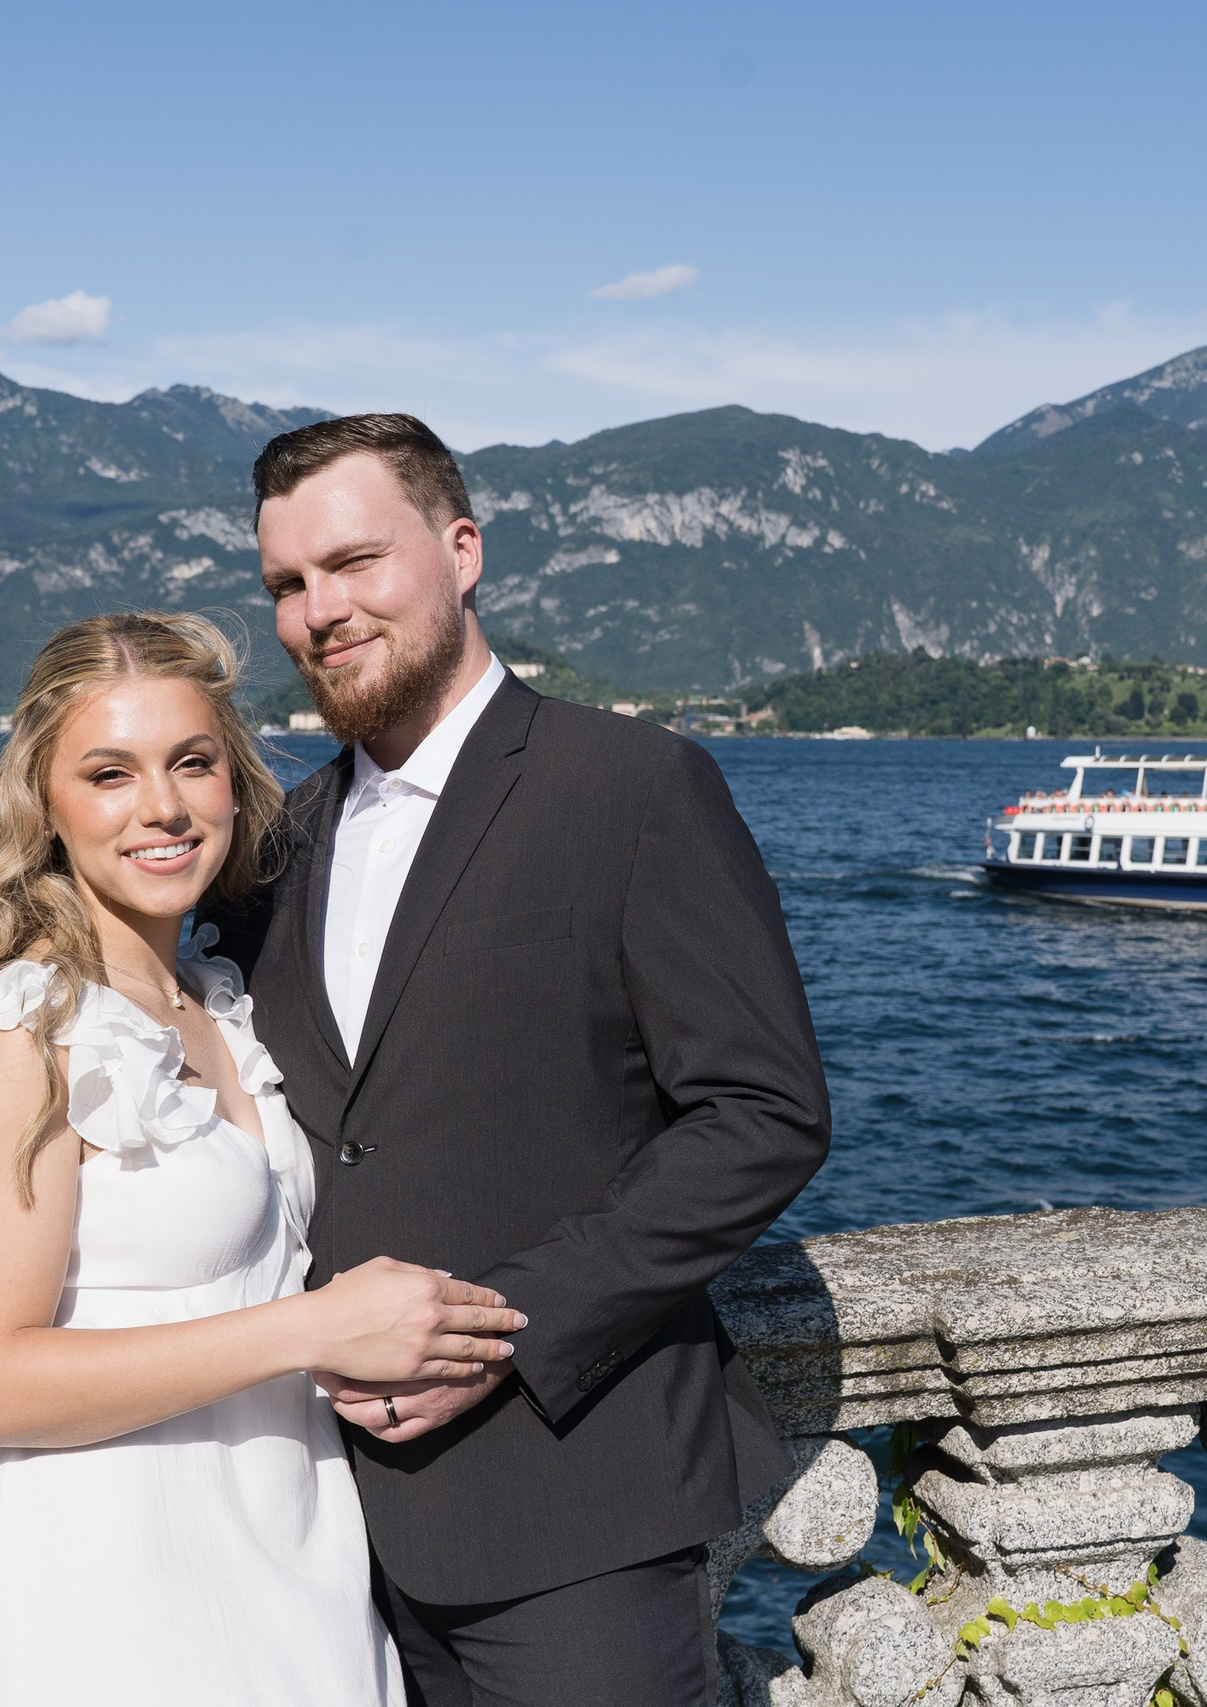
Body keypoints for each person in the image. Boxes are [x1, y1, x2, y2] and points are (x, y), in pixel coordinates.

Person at [209, 413, 831, 1706]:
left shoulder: (635, 786)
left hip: (574, 1508)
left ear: (461, 550)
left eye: (355, 561)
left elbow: (761, 1112)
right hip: (322, 1540)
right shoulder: (277, 844)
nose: (320, 610)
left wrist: (499, 1332)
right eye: (287, 583)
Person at [0, 612, 525, 1705]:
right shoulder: (26, 1032)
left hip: (285, 1553)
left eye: (192, 762)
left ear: (235, 785)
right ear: (45, 804)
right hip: (106, 1586)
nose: (161, 806)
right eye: (109, 773)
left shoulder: (216, 1003)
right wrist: (313, 1328)